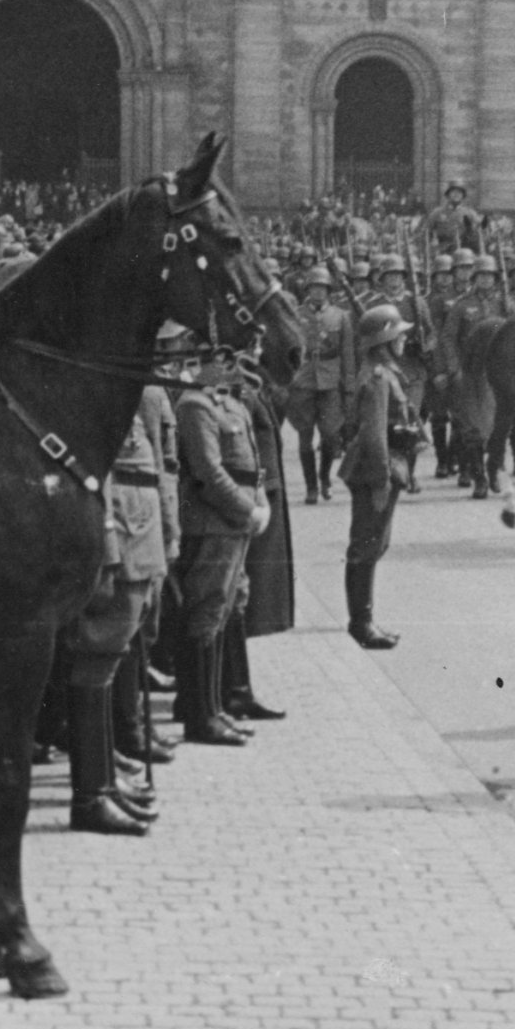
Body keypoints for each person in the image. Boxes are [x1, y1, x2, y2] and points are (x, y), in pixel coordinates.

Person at [65, 325, 182, 837]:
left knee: (113, 656)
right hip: (122, 538)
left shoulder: (131, 390)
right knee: (97, 657)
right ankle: (92, 792)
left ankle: (104, 780)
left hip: (142, 534)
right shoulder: (94, 396)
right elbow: (99, 475)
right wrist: (109, 547)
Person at [173, 344, 272, 747]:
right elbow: (209, 473)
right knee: (206, 612)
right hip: (214, 523)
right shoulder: (195, 405)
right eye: (223, 361)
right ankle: (201, 715)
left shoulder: (230, 404)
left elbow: (252, 465)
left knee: (227, 606)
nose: (233, 367)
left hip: (236, 523)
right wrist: (246, 510)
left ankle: (215, 708)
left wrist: (260, 503)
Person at [340, 305, 419, 651]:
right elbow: (374, 436)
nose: (404, 338)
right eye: (399, 333)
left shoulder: (384, 372)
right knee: (366, 545)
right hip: (376, 470)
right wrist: (381, 480)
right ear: (385, 339)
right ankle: (361, 623)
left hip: (382, 467)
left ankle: (365, 619)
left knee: (374, 543)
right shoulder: (378, 378)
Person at [288, 268, 359, 505]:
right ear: (307, 290)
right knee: (304, 437)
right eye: (313, 287)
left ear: (329, 291)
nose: (318, 292)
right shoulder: (296, 315)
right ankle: (310, 487)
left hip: (330, 380)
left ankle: (325, 478)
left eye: (322, 288)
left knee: (330, 435)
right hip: (304, 380)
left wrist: (349, 384)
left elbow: (348, 352)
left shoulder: (341, 316)